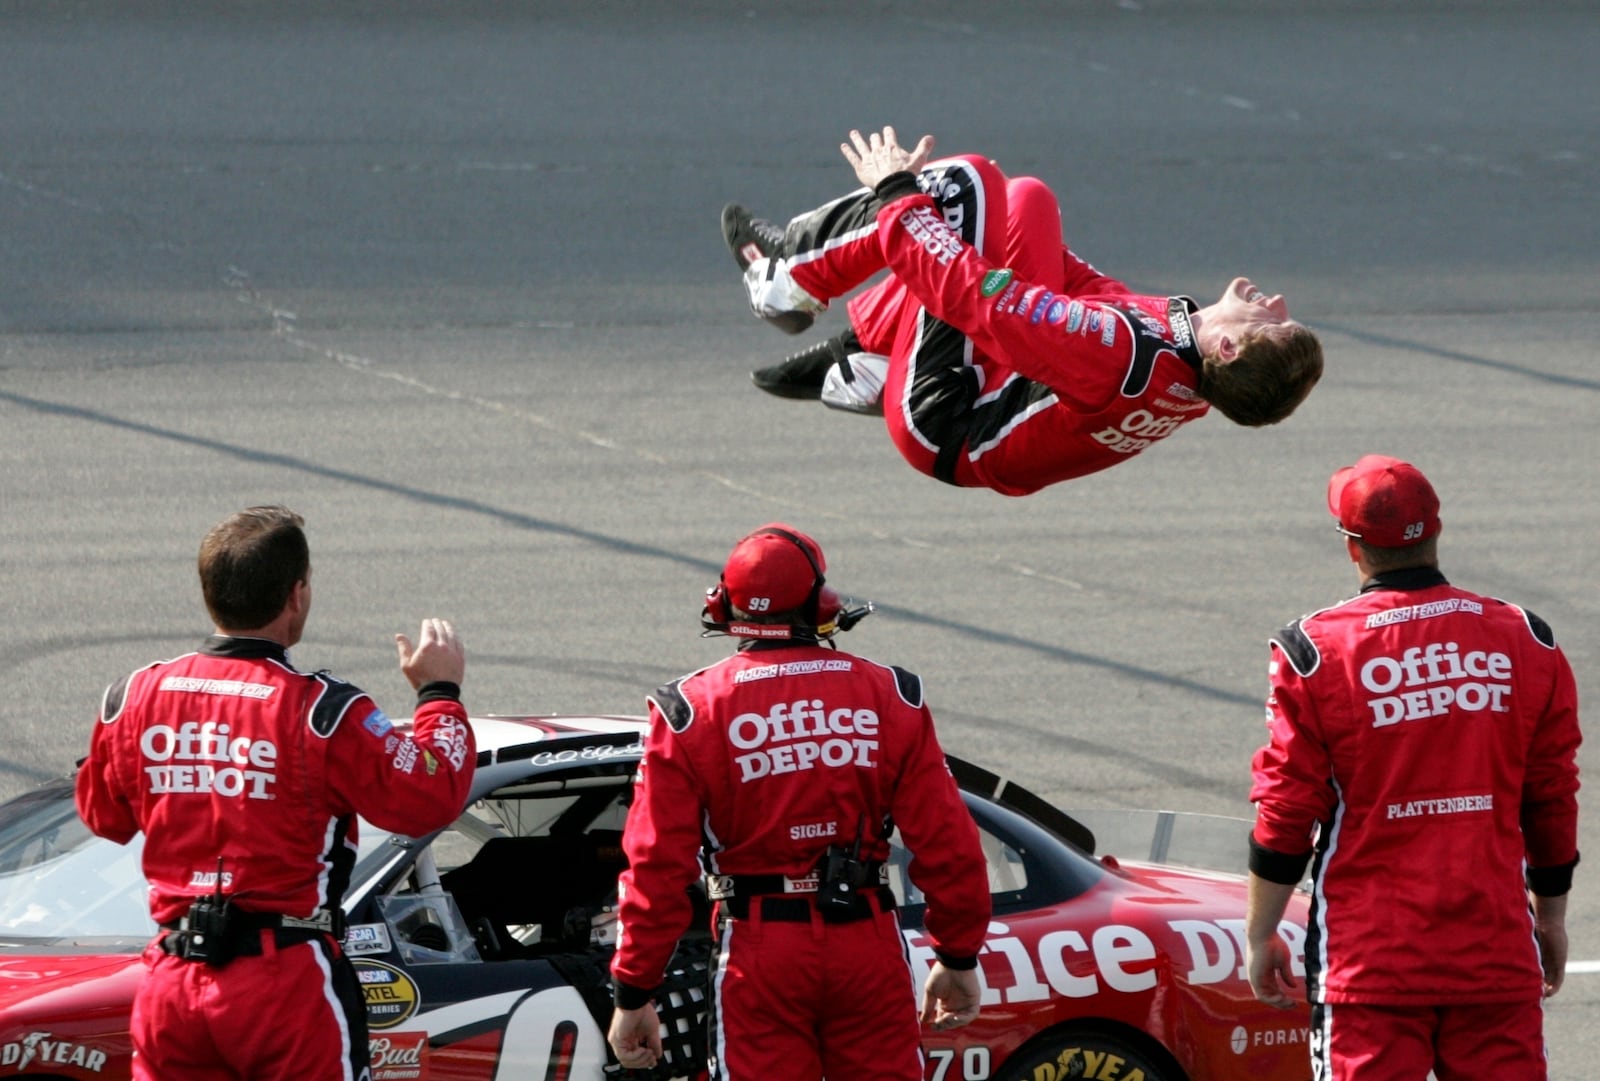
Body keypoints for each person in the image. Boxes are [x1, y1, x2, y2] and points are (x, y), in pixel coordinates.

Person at [75, 505, 477, 1081]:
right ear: (297, 594)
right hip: (282, 984)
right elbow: (431, 795)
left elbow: (102, 817)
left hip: (171, 982)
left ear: (210, 592)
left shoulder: (133, 695)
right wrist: (440, 691)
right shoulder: (323, 712)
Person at [721, 126, 1323, 496]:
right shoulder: (1191, 371)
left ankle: (788, 278)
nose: (1274, 301)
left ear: (1229, 348)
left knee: (960, 184)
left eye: (1273, 321)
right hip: (997, 395)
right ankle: (864, 356)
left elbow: (979, 302)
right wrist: (977, 239)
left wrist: (895, 192)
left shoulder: (1119, 353)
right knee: (1024, 199)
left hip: (946, 413)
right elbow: (1081, 290)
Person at [607, 523, 992, 1079]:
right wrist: (957, 956)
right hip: (868, 939)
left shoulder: (688, 710)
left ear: (724, 604)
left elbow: (656, 866)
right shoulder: (891, 693)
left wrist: (633, 990)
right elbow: (949, 843)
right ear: (820, 603)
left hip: (759, 948)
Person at [1244, 456, 1581, 1080]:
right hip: (1495, 952)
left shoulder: (1314, 651)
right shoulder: (1526, 637)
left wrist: (1261, 932)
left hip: (1369, 964)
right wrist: (1551, 917)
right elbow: (1552, 796)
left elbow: (1287, 809)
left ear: (1352, 546)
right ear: (1436, 531)